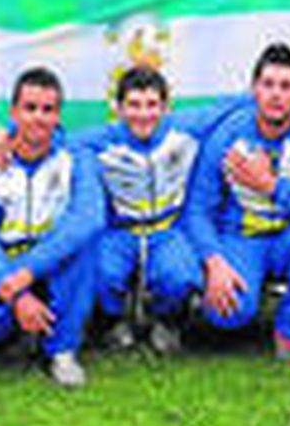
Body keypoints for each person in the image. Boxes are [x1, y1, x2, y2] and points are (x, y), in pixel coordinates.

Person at [185, 43, 290, 359]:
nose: (276, 95)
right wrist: (213, 260)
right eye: (268, 85)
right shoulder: (229, 134)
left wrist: (273, 186)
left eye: (286, 87)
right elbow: (198, 208)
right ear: (253, 89)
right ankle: (198, 299)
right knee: (228, 315)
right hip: (243, 238)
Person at [0, 67, 103, 387]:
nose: (38, 118)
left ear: (59, 115)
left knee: (84, 244)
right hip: (7, 262)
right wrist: (18, 293)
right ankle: (19, 329)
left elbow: (89, 218)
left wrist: (30, 272)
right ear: (13, 112)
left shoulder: (76, 158)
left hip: (51, 260)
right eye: (30, 108)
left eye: (48, 110)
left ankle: (62, 350)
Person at [79, 66, 212, 355]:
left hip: (167, 229)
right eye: (134, 105)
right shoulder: (100, 140)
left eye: (152, 105)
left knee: (181, 275)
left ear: (166, 106)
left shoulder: (185, 129)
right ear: (117, 108)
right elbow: (47, 137)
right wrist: (7, 135)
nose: (143, 114)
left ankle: (166, 320)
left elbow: (231, 107)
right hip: (120, 230)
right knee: (101, 272)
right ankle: (112, 322)